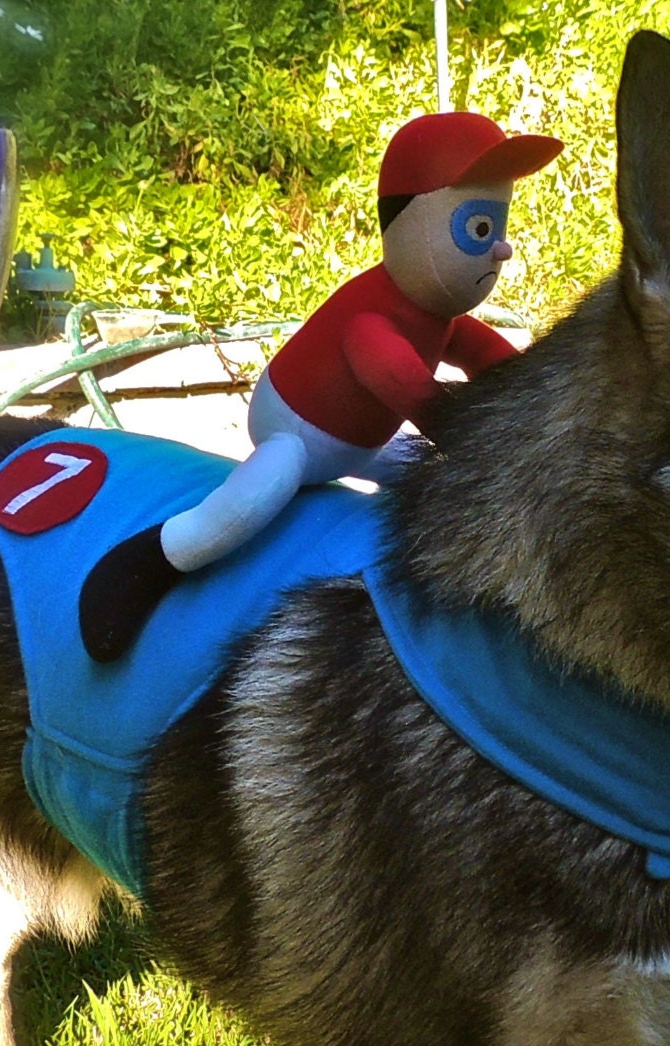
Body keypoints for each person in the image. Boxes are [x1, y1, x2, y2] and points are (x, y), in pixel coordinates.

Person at [79, 111, 562, 662]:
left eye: (497, 229)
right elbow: (409, 390)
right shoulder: (372, 319)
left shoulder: (437, 316)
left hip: (366, 445)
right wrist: (476, 431)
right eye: (477, 229)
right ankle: (148, 562)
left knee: (427, 477)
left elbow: (490, 358)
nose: (500, 250)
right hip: (297, 435)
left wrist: (532, 400)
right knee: (247, 507)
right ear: (408, 221)